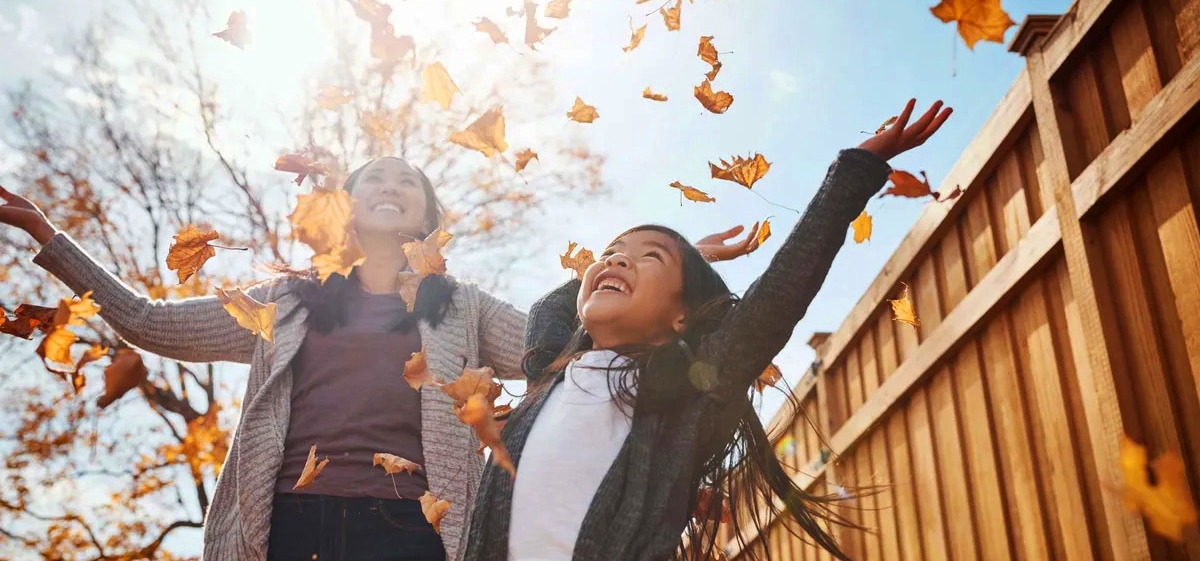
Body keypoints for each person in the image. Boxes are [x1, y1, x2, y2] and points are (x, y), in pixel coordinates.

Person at [0, 156, 762, 561]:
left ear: (428, 215)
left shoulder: (461, 307)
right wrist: (46, 235)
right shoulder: (284, 300)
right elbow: (144, 321)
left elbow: (564, 342)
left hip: (411, 533)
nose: (391, 187)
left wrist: (674, 271)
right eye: (374, 179)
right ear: (346, 207)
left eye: (409, 182)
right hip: (284, 524)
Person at [463, 98, 953, 561]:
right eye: (612, 253)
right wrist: (680, 258)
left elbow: (779, 296)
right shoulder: (548, 375)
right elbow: (549, 308)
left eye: (647, 257)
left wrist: (853, 173)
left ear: (682, 318)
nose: (615, 259)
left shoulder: (681, 397)